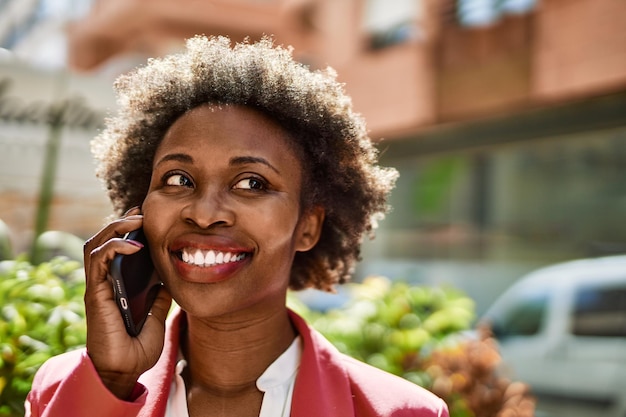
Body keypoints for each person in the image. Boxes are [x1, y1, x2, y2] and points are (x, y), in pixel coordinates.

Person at [26, 35, 449, 417]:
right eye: (178, 179)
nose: (205, 213)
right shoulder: (63, 392)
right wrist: (111, 384)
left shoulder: (401, 412)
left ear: (308, 227)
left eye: (252, 183)